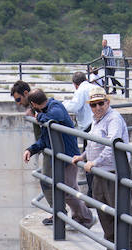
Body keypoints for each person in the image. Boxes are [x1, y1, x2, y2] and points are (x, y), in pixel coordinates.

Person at [72, 85, 132, 250]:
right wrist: (84, 156)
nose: (97, 107)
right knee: (103, 209)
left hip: (113, 170)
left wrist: (94, 162)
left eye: (100, 103)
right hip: (100, 171)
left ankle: (131, 249)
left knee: (122, 210)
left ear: (107, 102)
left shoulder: (113, 119)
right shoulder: (96, 119)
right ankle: (112, 246)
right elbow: (94, 143)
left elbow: (112, 144)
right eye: (93, 105)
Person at [23, 89, 94, 230]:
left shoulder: (55, 106)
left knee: (67, 190)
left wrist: (39, 117)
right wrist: (30, 150)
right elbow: (44, 139)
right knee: (68, 189)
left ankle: (86, 218)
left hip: (69, 156)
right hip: (62, 157)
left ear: (33, 104)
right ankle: (80, 217)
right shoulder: (47, 110)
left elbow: (56, 116)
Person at [11, 79, 53, 224]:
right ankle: (68, 215)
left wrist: (35, 114)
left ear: (26, 93)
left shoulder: (37, 105)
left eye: (18, 99)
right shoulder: (33, 108)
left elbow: (51, 115)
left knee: (48, 182)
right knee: (58, 183)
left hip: (51, 147)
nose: (18, 103)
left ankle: (60, 215)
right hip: (45, 146)